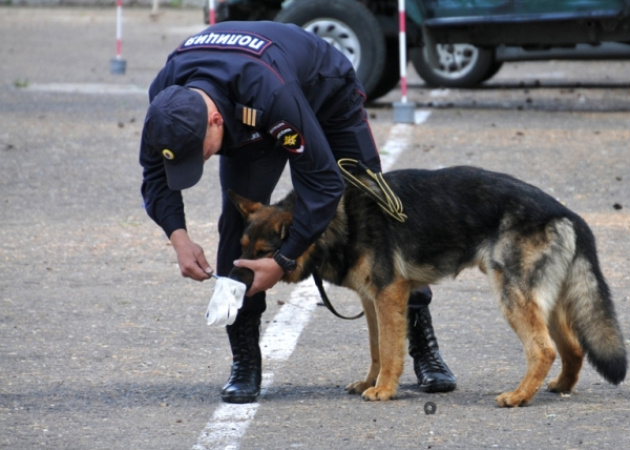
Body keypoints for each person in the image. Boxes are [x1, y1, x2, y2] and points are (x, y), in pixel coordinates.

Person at [139, 21, 455, 404]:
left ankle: (422, 348)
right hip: (251, 117)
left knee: (376, 218)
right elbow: (155, 178)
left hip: (323, 94)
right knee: (239, 227)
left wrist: (284, 260)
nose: (198, 163)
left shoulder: (270, 90)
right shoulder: (166, 103)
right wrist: (179, 237)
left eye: (201, 151)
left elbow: (323, 183)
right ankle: (245, 360)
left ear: (215, 120)